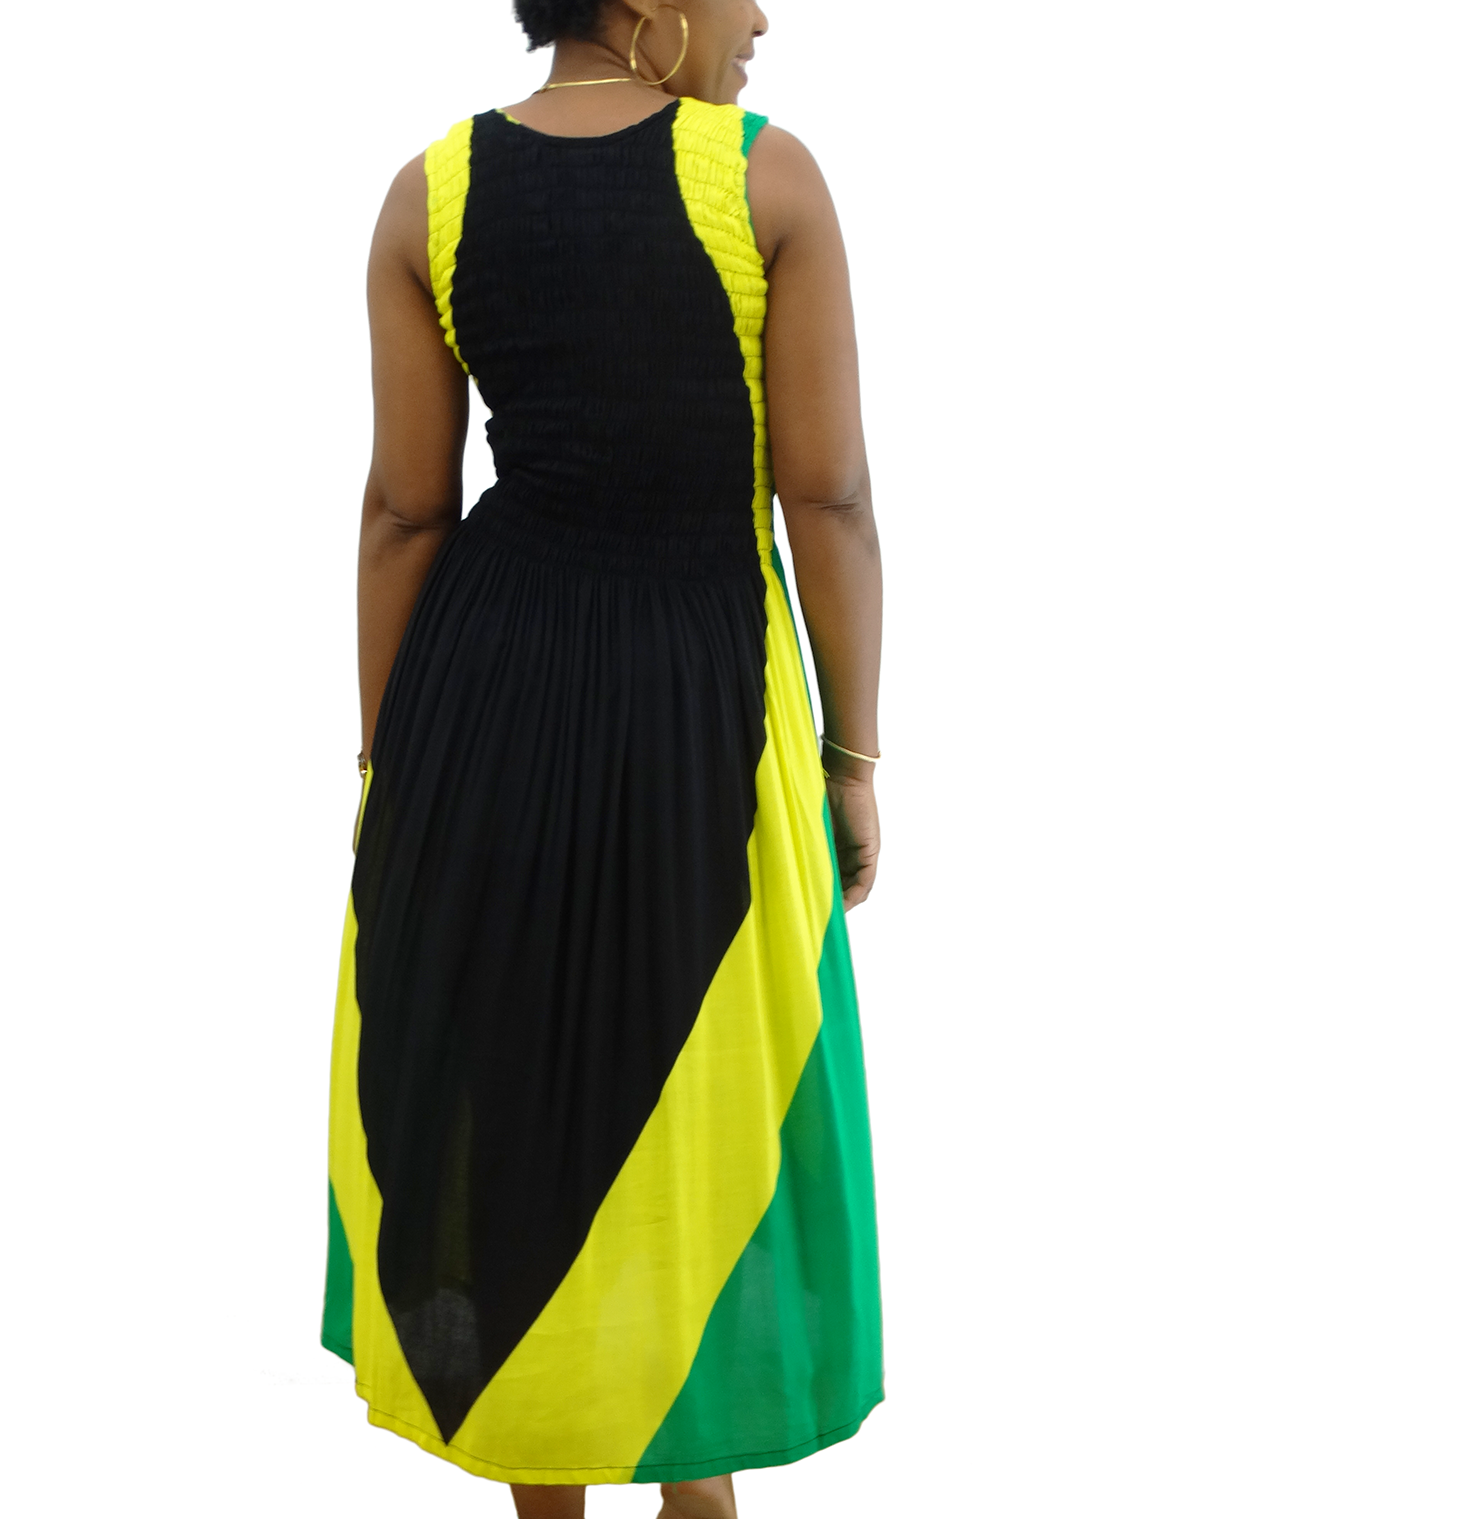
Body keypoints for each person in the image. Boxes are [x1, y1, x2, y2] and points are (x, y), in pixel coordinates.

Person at [320, 3, 883, 1514]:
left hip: (481, 701)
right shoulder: (765, 180)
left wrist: (387, 775)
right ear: (647, 8)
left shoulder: (429, 194)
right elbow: (826, 497)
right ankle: (699, 1486)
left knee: (506, 1109)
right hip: (702, 708)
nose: (760, 19)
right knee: (700, 1101)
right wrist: (852, 755)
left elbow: (405, 511)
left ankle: (543, 1473)